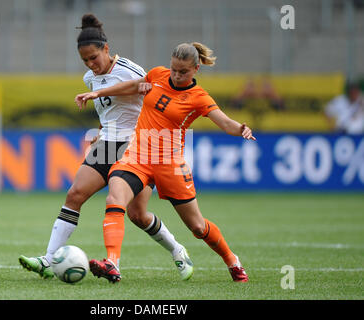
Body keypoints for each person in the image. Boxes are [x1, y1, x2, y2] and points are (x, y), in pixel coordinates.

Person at [18, 14, 193, 282]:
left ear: (106, 49)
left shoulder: (130, 70)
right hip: (107, 144)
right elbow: (108, 113)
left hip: (137, 148)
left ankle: (177, 250)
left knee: (137, 214)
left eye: (94, 58)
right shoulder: (90, 78)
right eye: (85, 60)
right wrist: (100, 135)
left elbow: (154, 91)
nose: (91, 64)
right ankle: (48, 260)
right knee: (74, 194)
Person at [76, 42, 256, 283]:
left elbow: (224, 122)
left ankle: (232, 260)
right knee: (115, 199)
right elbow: (132, 86)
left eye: (183, 72)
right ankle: (112, 263)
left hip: (169, 164)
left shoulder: (198, 97)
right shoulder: (157, 74)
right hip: (137, 157)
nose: (177, 75)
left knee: (197, 227)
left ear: (196, 68)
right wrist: (99, 92)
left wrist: (242, 129)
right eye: (174, 69)